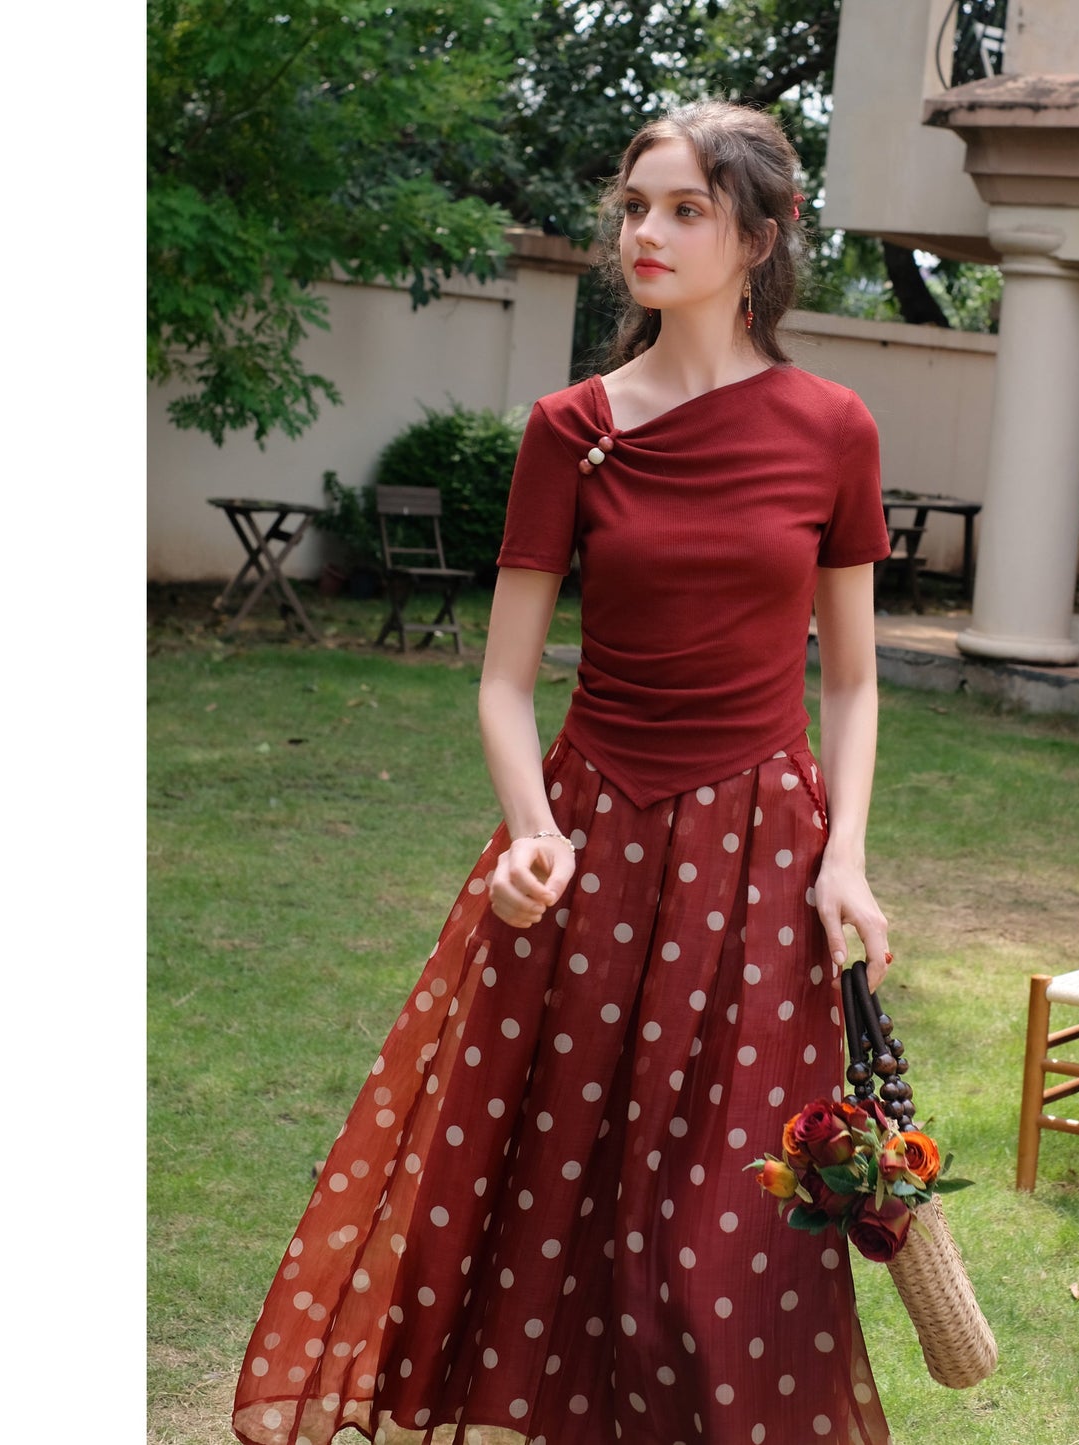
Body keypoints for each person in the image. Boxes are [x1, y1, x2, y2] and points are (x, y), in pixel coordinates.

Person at [233, 99, 895, 1445]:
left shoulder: (834, 428)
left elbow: (851, 680)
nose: (646, 233)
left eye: (686, 210)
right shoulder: (571, 428)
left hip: (761, 857)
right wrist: (531, 834)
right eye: (635, 207)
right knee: (554, 1202)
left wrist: (846, 861)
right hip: (590, 842)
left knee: (717, 1246)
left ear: (760, 237)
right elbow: (502, 679)